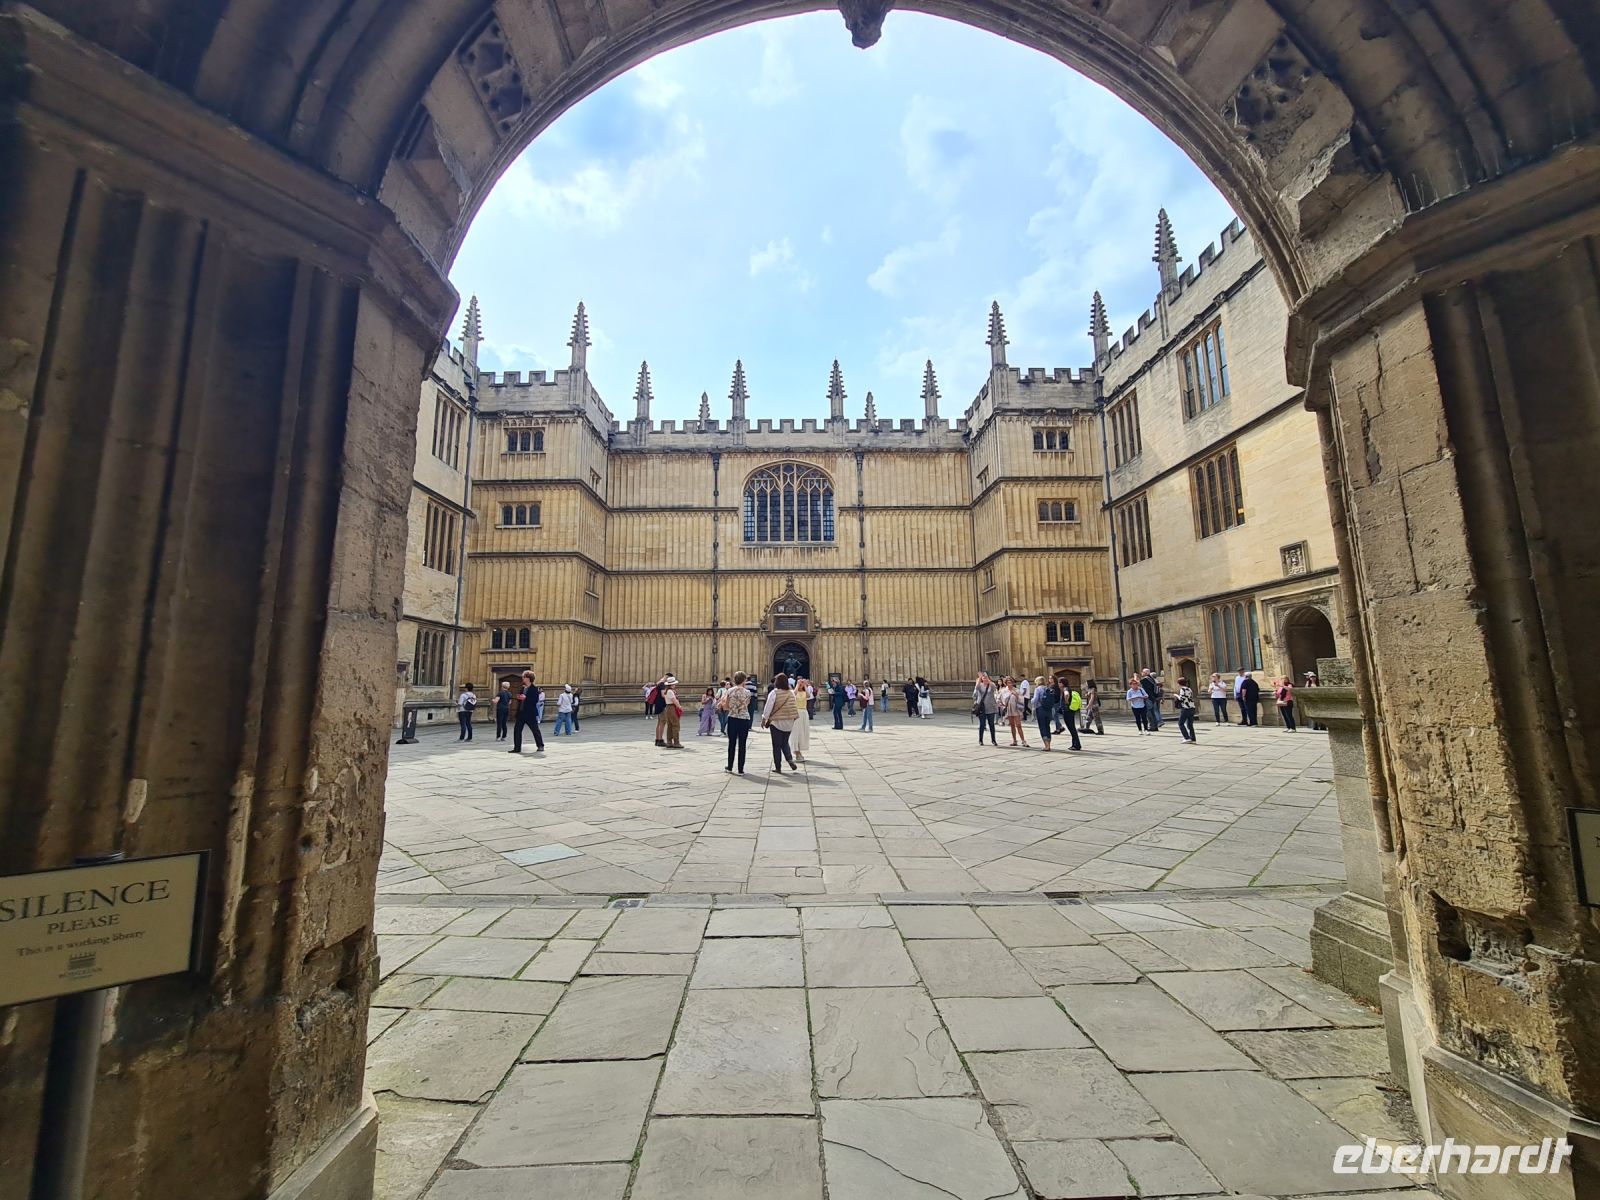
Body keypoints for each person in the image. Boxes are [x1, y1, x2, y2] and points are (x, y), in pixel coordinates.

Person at [761, 673, 800, 772]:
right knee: (785, 742)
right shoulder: (791, 693)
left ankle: (778, 767)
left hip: (776, 721)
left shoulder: (774, 693)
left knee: (776, 745)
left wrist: (764, 719)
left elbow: (768, 707)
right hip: (789, 721)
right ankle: (790, 759)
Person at [722, 671, 754, 773]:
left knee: (731, 743)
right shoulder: (748, 692)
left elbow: (725, 706)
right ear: (744, 680)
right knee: (742, 745)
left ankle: (730, 767)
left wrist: (732, 708)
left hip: (733, 718)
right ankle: (741, 769)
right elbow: (746, 705)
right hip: (744, 719)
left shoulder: (729, 691)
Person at [511, 671, 545, 754]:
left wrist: (526, 698)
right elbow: (520, 697)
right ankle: (517, 748)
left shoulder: (534, 689)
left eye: (524, 677)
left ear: (528, 678)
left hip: (530, 713)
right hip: (521, 712)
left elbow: (535, 700)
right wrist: (519, 697)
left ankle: (540, 745)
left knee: (535, 730)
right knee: (517, 730)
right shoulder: (523, 688)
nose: (522, 678)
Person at [973, 672, 1000, 745]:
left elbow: (994, 688)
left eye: (986, 677)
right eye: (984, 678)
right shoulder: (980, 685)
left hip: (991, 707)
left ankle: (993, 740)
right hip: (982, 708)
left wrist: (988, 680)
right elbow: (976, 688)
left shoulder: (991, 685)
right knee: (982, 724)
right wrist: (979, 678)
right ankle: (980, 740)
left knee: (991, 724)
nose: (985, 679)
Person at [1033, 675, 1057, 750]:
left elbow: (1035, 700)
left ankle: (1046, 746)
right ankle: (1048, 744)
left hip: (1040, 709)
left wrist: (1032, 701)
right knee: (1047, 727)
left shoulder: (1038, 689)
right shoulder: (1048, 688)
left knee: (1042, 727)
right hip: (1048, 709)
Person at [1003, 678, 1029, 747]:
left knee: (1018, 725)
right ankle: (1014, 740)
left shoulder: (1017, 690)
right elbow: (1002, 700)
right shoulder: (1004, 691)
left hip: (1016, 709)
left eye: (1011, 682)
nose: (1010, 684)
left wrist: (1016, 695)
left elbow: (1021, 699)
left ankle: (1023, 740)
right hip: (1009, 709)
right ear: (1006, 683)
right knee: (1012, 725)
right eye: (1008, 683)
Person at [792, 679, 812, 761]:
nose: (800, 686)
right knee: (796, 732)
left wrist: (805, 685)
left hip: (804, 712)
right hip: (796, 712)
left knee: (803, 732)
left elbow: (808, 695)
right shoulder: (795, 692)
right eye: (799, 684)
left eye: (801, 685)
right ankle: (797, 751)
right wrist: (797, 684)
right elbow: (794, 694)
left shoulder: (804, 692)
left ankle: (799, 750)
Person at [661, 676, 684, 747]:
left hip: (668, 708)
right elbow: (674, 700)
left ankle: (669, 742)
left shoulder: (667, 691)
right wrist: (679, 707)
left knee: (670, 725)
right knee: (675, 725)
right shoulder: (670, 691)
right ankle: (676, 742)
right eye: (674, 684)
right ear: (671, 684)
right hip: (672, 707)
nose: (675, 685)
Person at [1061, 681, 1083, 750]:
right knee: (1072, 728)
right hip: (1071, 710)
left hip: (1067, 711)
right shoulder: (1068, 688)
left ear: (1062, 683)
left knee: (1071, 728)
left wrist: (1066, 701)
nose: (1058, 684)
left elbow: (1066, 694)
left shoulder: (1065, 689)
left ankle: (1077, 745)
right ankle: (1075, 744)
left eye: (1059, 683)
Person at [1175, 678, 1198, 742]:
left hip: (1186, 708)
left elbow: (1182, 699)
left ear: (1179, 683)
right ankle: (1193, 738)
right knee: (1190, 724)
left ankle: (1187, 738)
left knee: (1180, 723)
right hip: (1192, 707)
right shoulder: (1189, 689)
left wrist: (1176, 696)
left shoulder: (1182, 689)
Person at [651, 675, 670, 745]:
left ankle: (657, 739)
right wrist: (671, 698)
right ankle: (660, 740)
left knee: (659, 722)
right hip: (662, 705)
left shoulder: (659, 683)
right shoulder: (662, 684)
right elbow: (663, 695)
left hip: (658, 704)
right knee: (663, 722)